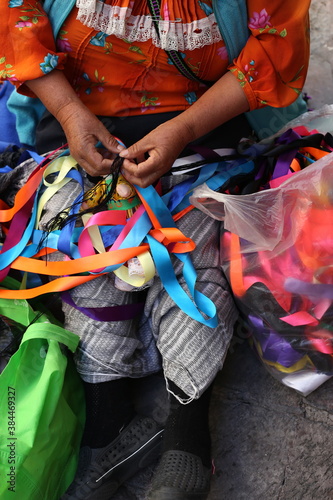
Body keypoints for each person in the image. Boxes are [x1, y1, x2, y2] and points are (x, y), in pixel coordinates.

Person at [0, 1, 310, 499]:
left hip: (208, 131)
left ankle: (188, 432)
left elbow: (277, 46)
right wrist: (70, 113)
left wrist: (183, 131)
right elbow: (15, 21)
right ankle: (109, 421)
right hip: (81, 129)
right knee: (88, 257)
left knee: (191, 257)